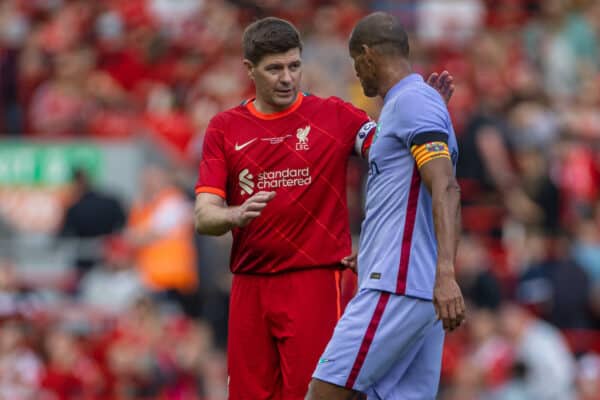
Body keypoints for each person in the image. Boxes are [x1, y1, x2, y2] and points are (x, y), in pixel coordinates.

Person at [194, 17, 454, 399]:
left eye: (294, 66)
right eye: (274, 69)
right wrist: (234, 214)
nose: (287, 78)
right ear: (249, 70)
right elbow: (204, 215)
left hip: (313, 280)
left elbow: (395, 151)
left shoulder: (336, 116)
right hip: (249, 283)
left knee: (314, 393)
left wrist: (427, 113)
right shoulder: (224, 128)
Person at [307, 12, 465, 399]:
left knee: (324, 393)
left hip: (397, 286)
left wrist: (447, 273)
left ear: (366, 55)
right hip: (410, 286)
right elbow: (404, 192)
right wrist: (373, 251)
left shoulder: (412, 101)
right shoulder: (413, 103)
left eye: (355, 65)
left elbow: (445, 186)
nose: (357, 77)